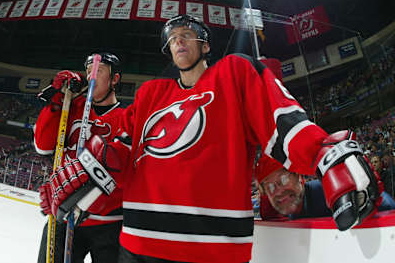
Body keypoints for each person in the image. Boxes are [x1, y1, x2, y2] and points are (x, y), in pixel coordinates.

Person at [41, 14, 382, 263]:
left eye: (187, 34)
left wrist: (325, 154)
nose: (178, 41)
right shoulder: (150, 95)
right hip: (138, 248)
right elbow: (117, 141)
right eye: (173, 37)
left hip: (212, 251)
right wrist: (89, 162)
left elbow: (281, 120)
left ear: (204, 44)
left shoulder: (234, 73)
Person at [35, 52, 125, 263]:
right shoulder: (72, 107)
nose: (91, 76)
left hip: (109, 223)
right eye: (88, 71)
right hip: (63, 217)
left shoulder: (126, 117)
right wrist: (58, 99)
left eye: (99, 70)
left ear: (115, 79)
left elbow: (125, 171)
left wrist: (85, 200)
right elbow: (42, 145)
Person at [255, 154, 395, 220]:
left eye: (283, 179)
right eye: (270, 187)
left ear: (299, 177)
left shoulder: (328, 191)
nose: (279, 190)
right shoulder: (291, 210)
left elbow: (387, 206)